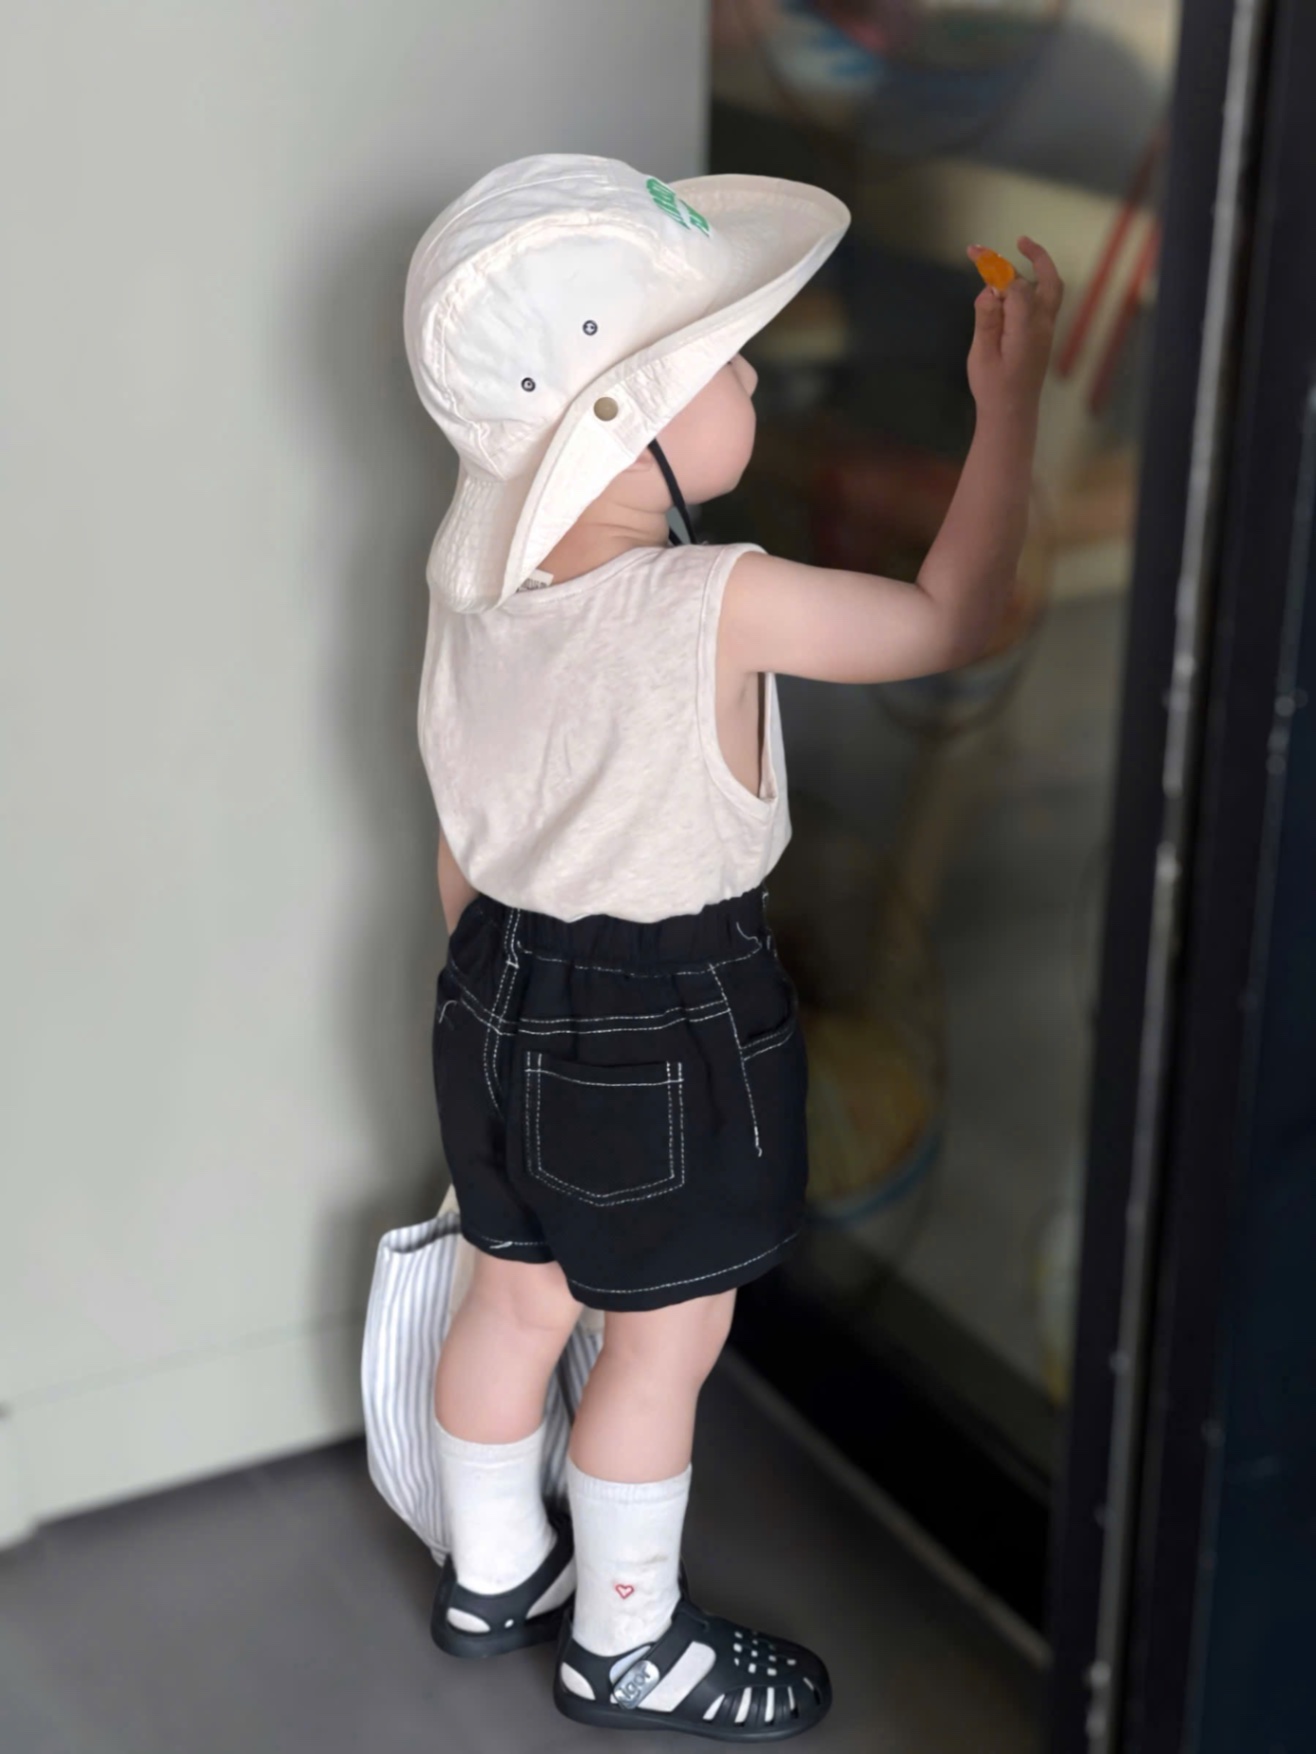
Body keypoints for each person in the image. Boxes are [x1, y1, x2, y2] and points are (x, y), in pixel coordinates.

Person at [403, 154, 1062, 1739]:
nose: (758, 374)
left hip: (491, 980)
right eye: (724, 361)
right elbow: (949, 620)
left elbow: (457, 830)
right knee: (663, 1341)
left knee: (513, 1300)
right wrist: (1010, 410)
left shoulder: (474, 583)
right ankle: (624, 1643)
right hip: (661, 1011)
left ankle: (491, 1573)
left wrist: (506, 1001)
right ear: (624, 420)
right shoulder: (714, 598)